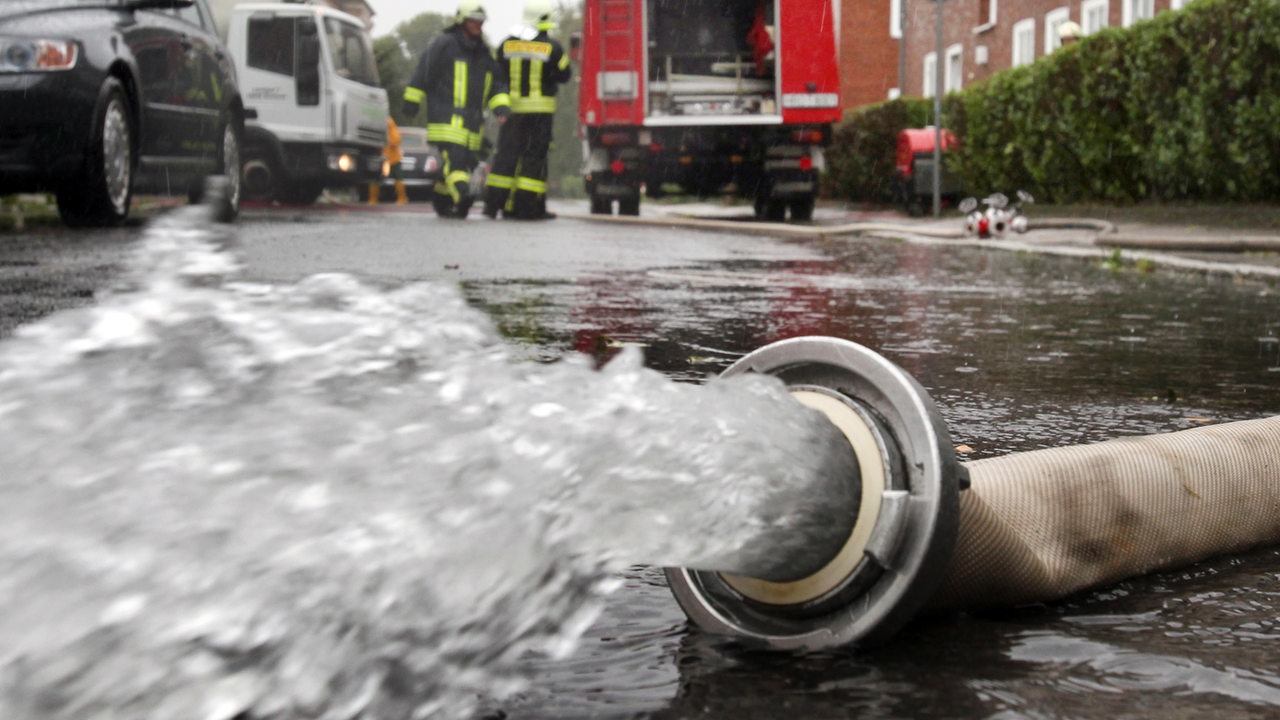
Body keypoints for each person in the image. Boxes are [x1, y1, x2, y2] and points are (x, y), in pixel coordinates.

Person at [402, 0, 511, 219]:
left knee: (458, 165)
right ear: (462, 21)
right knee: (457, 165)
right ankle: (463, 197)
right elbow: (424, 71)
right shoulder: (444, 45)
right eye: (473, 21)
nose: (478, 25)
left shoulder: (483, 54)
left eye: (481, 22)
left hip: (472, 124)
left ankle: (442, 201)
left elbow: (497, 84)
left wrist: (501, 107)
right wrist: (412, 101)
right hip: (446, 121)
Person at [482, 0, 572, 220]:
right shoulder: (553, 47)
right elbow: (565, 74)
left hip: (512, 113)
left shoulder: (504, 45)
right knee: (534, 159)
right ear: (542, 20)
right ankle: (527, 208)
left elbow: (495, 77)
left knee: (506, 157)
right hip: (540, 113)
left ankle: (494, 205)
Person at [369, 116, 407, 205]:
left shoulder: (390, 126)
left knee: (398, 178)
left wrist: (386, 141)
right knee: (375, 178)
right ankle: (373, 199)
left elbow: (396, 140)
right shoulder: (382, 124)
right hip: (382, 158)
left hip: (393, 159)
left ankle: (402, 198)